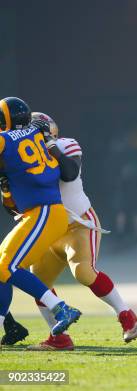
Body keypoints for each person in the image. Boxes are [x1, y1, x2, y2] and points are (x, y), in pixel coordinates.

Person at [13, 112, 137, 350]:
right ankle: (58, 337)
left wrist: (49, 143)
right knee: (38, 282)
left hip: (78, 223)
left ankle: (127, 316)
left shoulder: (64, 145)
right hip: (49, 227)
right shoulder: (21, 159)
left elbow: (69, 173)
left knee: (83, 272)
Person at [0, 97, 81, 341]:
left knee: (7, 266)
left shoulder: (4, 140)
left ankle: (60, 308)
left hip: (44, 211)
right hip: (40, 212)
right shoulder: (36, 134)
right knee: (1, 268)